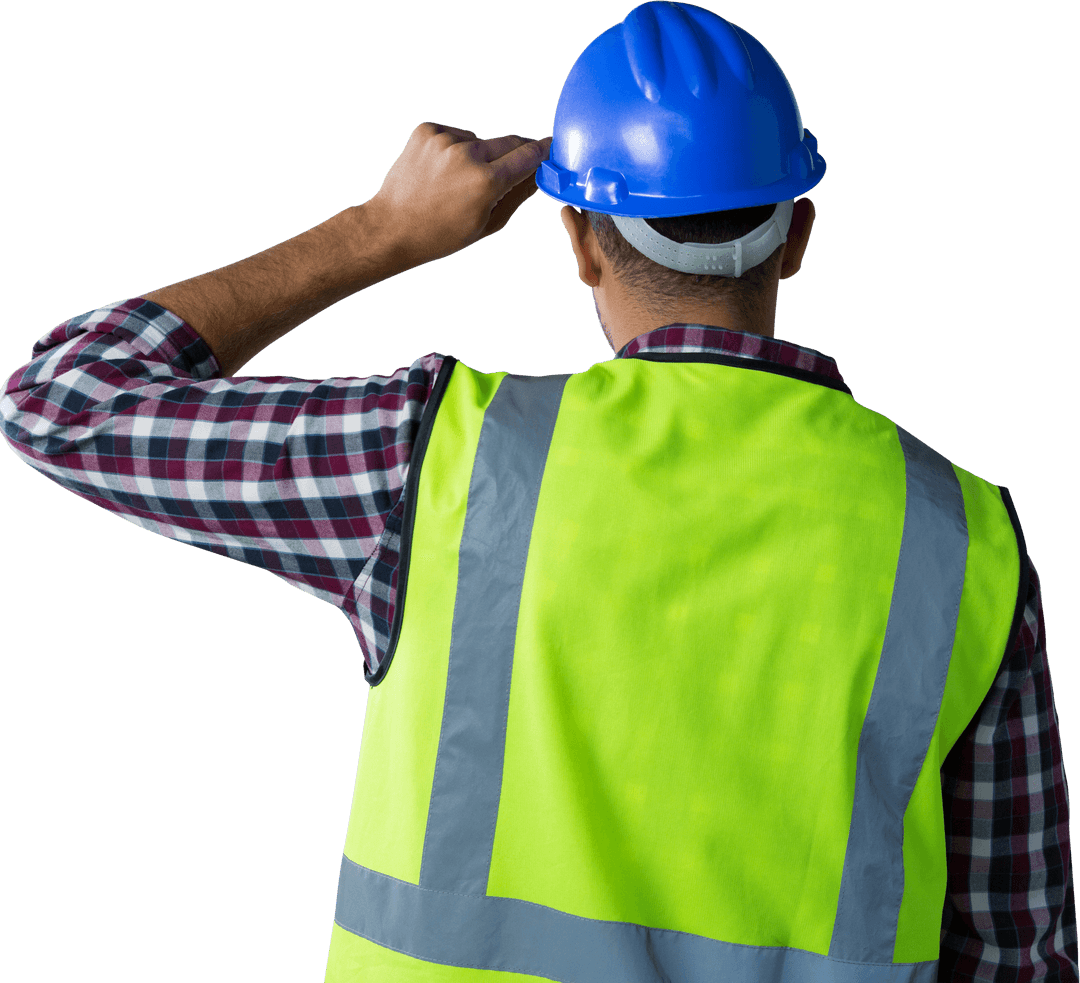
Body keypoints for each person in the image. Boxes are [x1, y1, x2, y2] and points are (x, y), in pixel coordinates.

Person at [1, 3, 1075, 980]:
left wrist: (382, 229)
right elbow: (1017, 957)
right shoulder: (963, 536)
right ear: (795, 235)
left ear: (579, 240)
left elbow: (60, 400)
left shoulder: (437, 462)